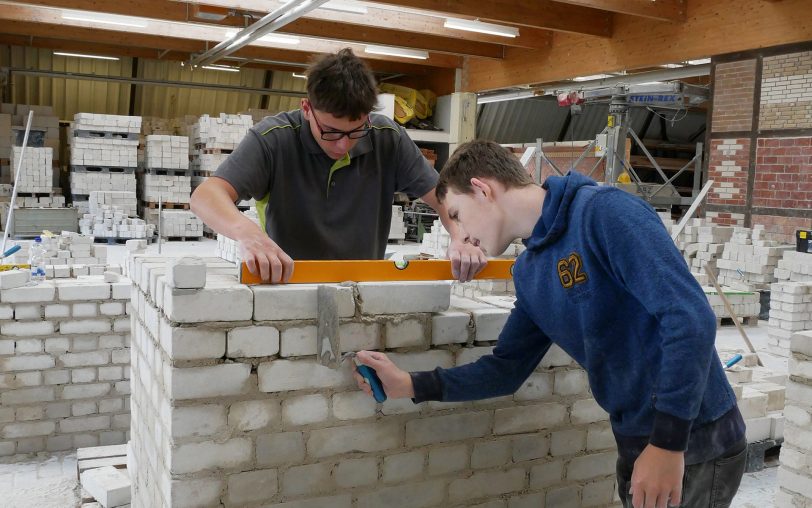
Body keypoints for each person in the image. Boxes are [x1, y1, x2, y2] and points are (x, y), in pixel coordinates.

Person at [354, 140, 747, 508]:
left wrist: (667, 444)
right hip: (637, 442)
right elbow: (505, 370)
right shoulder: (531, 271)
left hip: (694, 441)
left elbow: (690, 319)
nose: (461, 232)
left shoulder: (603, 213)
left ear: (482, 189)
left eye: (456, 214)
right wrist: (411, 384)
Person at [190, 48, 486, 283]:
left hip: (363, 288)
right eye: (331, 132)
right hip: (289, 287)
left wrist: (460, 237)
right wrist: (248, 234)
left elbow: (443, 197)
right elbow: (206, 195)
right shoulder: (273, 139)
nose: (343, 145)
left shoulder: (386, 137)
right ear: (307, 109)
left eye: (356, 131)